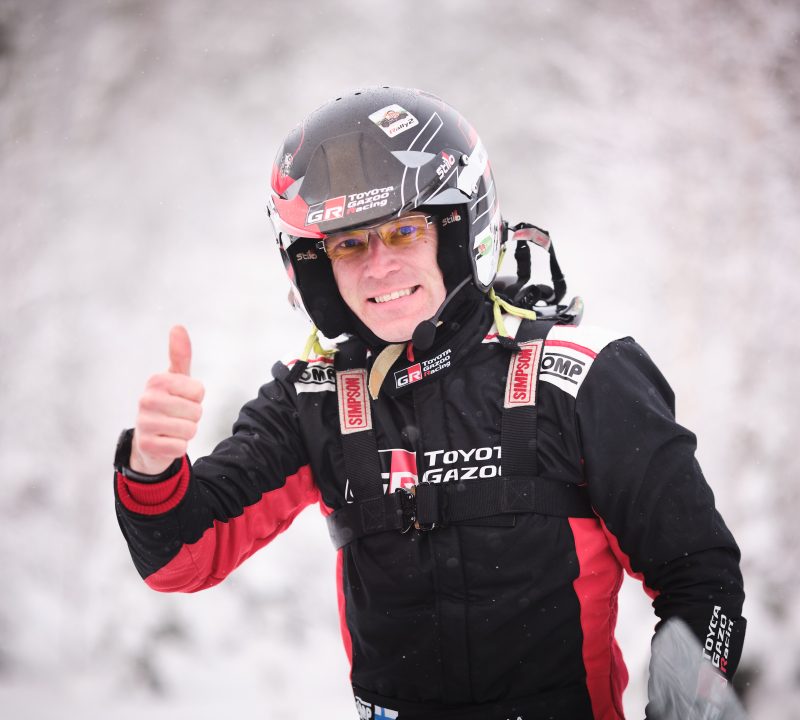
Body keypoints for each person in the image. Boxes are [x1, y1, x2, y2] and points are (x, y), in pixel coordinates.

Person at [114, 87, 746, 720]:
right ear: (316, 268)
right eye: (348, 245)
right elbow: (179, 560)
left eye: (404, 231)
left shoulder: (583, 377)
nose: (379, 267)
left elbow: (702, 580)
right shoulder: (315, 397)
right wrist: (151, 467)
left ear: (458, 231)